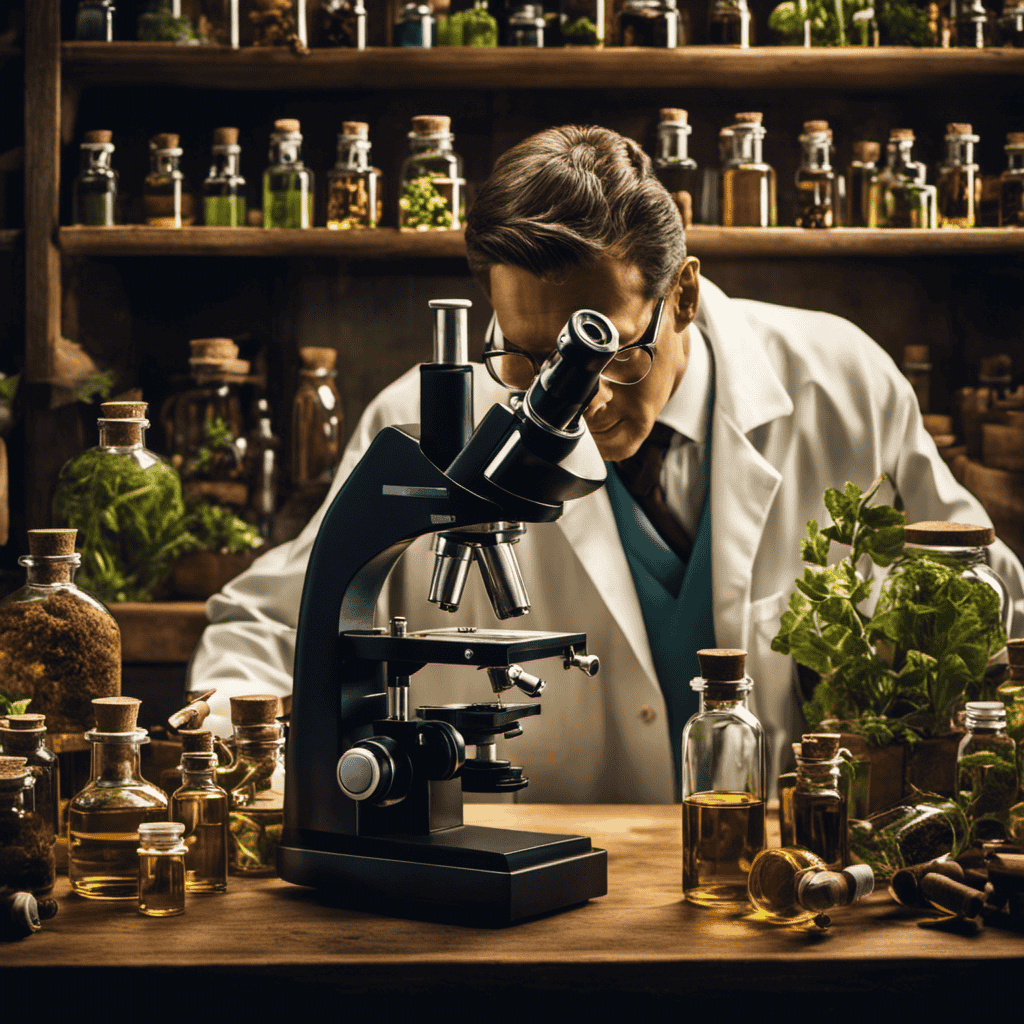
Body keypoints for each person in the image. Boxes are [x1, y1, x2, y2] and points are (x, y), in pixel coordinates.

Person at [190, 125, 1024, 802]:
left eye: (603, 355)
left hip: (770, 871)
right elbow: (265, 625)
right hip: (531, 899)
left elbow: (987, 598)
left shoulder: (841, 382)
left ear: (684, 294)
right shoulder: (421, 418)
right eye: (524, 357)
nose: (575, 400)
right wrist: (233, 734)